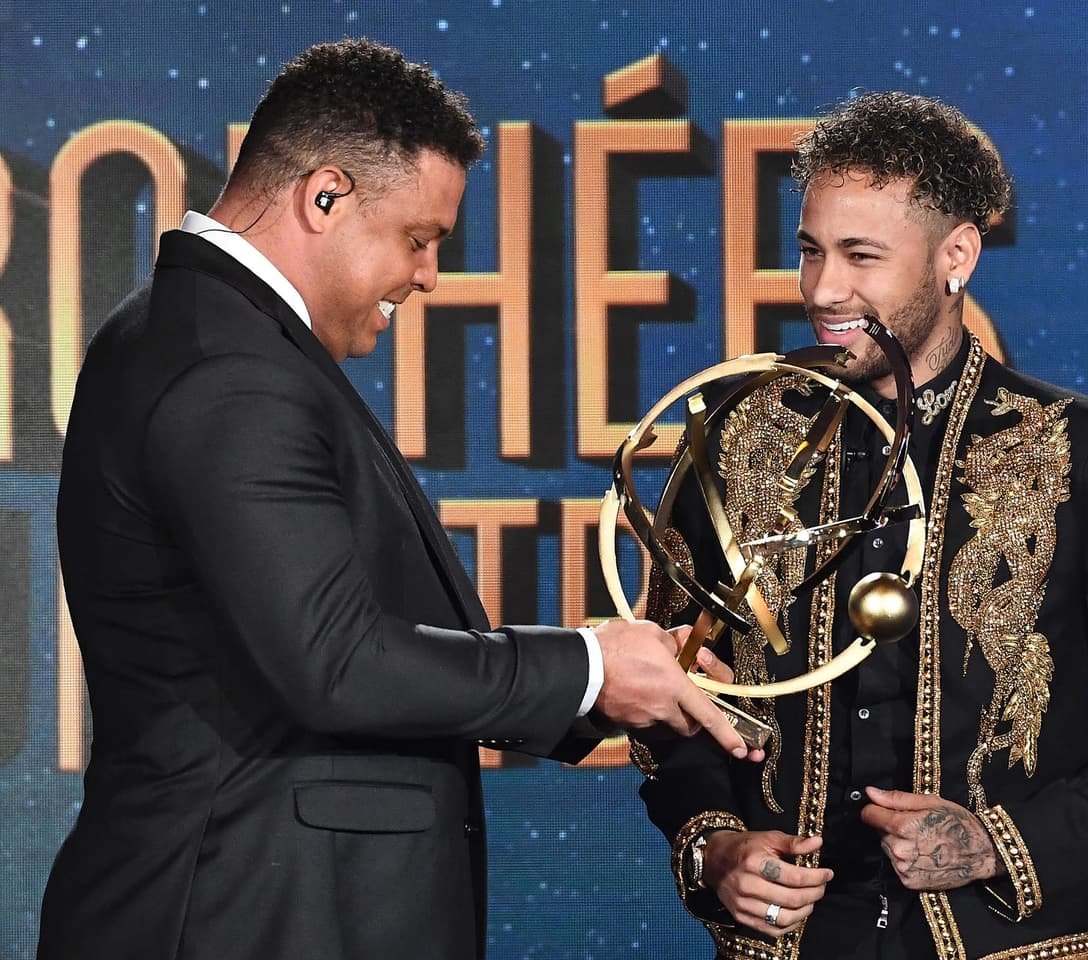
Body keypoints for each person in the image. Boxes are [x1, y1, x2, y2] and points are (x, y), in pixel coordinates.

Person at [41, 39, 757, 960]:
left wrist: (607, 687)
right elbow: (336, 664)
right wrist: (588, 668)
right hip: (242, 917)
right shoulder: (230, 371)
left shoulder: (215, 341)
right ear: (325, 195)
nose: (427, 275)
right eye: (419, 239)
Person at [633, 91, 1088, 960]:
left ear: (956, 254)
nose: (823, 289)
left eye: (861, 256)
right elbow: (666, 697)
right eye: (810, 252)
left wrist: (1004, 844)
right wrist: (715, 845)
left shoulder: (1074, 447)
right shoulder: (737, 436)